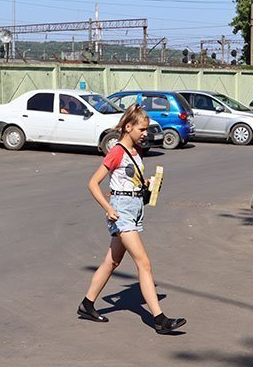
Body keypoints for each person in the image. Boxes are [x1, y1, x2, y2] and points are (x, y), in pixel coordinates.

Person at [78, 104, 187, 335]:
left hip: (134, 208)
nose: (145, 133)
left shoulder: (136, 152)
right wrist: (108, 208)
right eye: (141, 129)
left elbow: (125, 180)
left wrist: (144, 184)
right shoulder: (117, 151)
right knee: (144, 263)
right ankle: (159, 320)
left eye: (146, 129)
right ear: (128, 127)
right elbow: (92, 183)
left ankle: (87, 304)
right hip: (122, 213)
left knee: (112, 262)